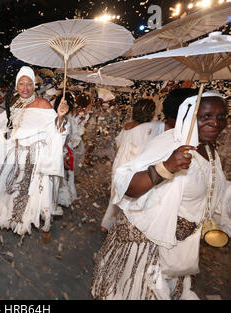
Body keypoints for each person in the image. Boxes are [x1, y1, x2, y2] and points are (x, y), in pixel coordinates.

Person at [91, 92, 229, 300]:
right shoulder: (170, 144)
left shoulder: (209, 151)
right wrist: (165, 167)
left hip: (180, 247)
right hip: (149, 247)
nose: (215, 123)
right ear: (190, 117)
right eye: (206, 116)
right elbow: (126, 184)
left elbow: (214, 191)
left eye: (221, 116)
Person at [0, 66, 69, 243]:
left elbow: (56, 131)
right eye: (21, 83)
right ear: (16, 86)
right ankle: (14, 214)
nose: (25, 87)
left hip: (35, 160)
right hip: (14, 154)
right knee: (11, 190)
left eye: (29, 84)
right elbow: (1, 120)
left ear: (34, 85)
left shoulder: (43, 104)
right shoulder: (15, 103)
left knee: (42, 197)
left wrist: (61, 117)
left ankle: (46, 225)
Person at [100, 89, 198, 232]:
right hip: (132, 176)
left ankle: (111, 225)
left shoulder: (180, 138)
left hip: (148, 192)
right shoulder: (144, 130)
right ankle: (111, 226)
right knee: (122, 204)